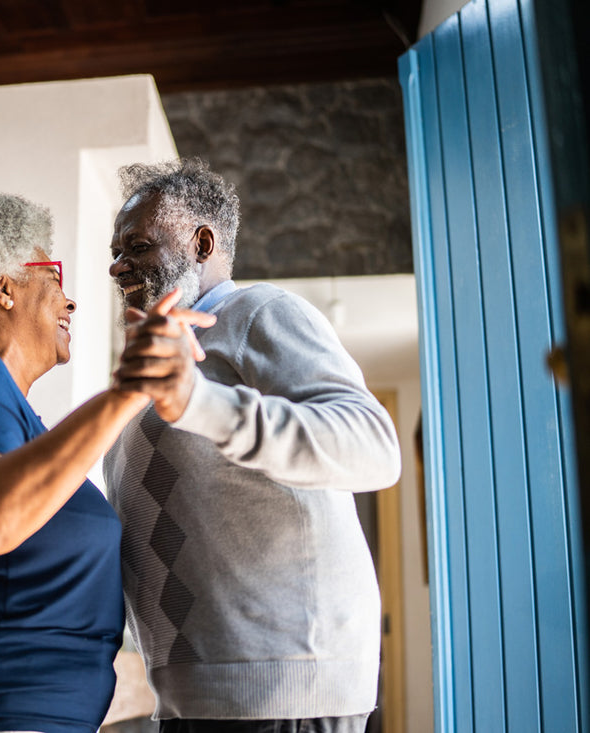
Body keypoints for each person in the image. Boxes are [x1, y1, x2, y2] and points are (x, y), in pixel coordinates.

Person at [0, 190, 212, 733]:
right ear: (3, 289)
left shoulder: (14, 417)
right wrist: (128, 390)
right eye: (52, 276)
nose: (70, 300)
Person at [105, 159, 402, 733]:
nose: (118, 267)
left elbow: (374, 445)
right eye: (114, 253)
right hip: (195, 701)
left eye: (136, 246)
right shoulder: (159, 363)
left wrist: (199, 402)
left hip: (283, 696)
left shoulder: (259, 313)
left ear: (201, 243)